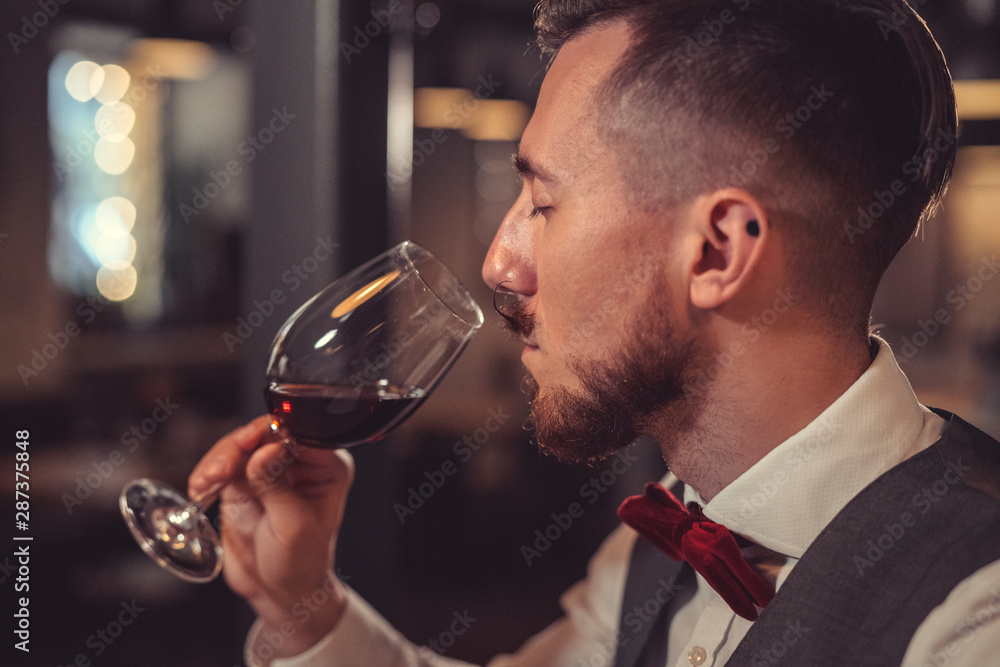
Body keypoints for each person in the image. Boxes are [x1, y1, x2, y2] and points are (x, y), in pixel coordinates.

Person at [189, 1, 1000, 665]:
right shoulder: (659, 543)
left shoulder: (973, 617)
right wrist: (305, 607)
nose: (498, 263)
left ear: (717, 250)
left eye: (542, 204)